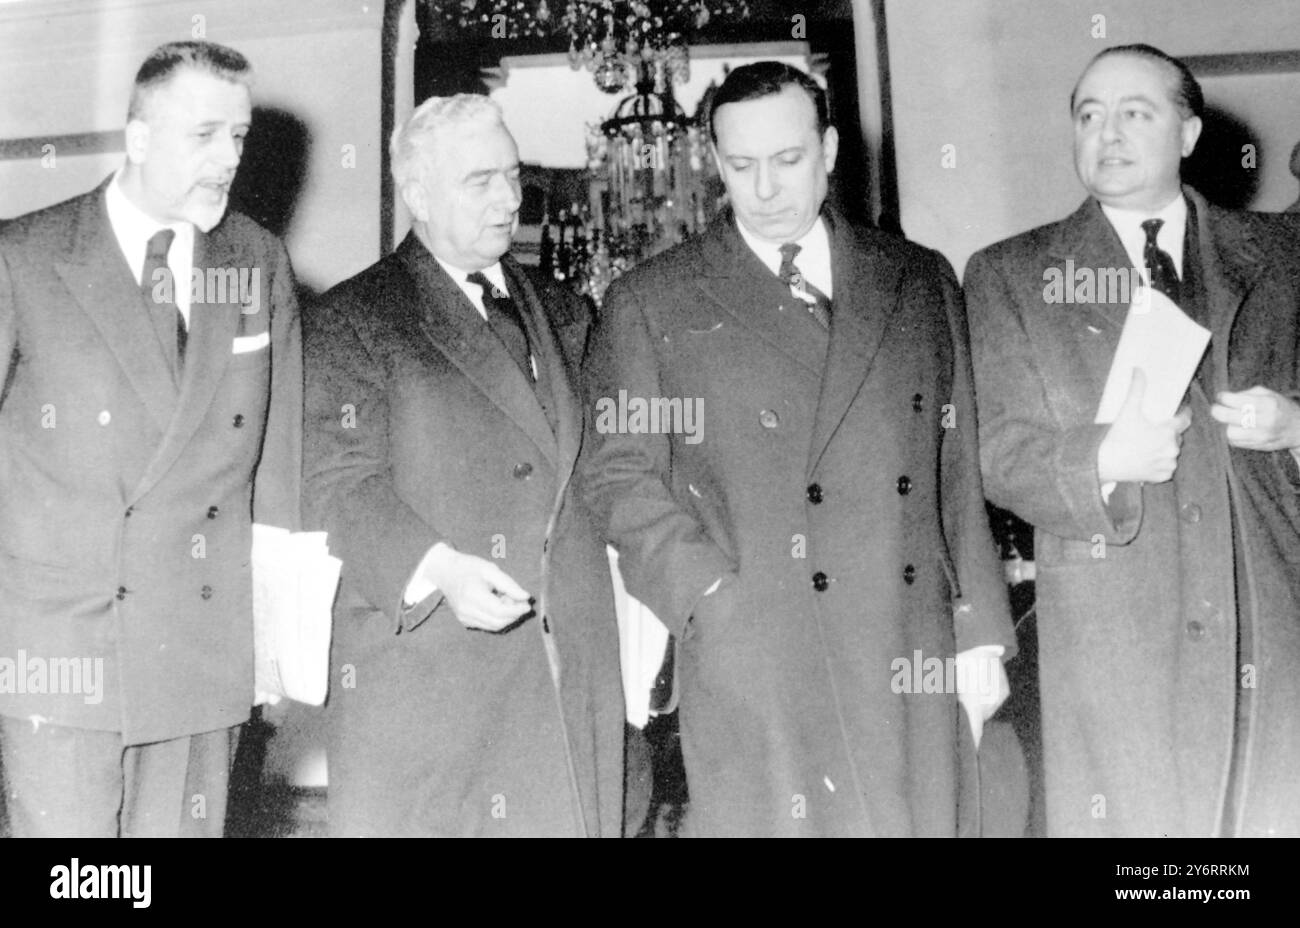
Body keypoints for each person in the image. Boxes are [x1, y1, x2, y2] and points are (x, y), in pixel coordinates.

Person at [578, 62, 1015, 837]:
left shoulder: (917, 279)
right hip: (760, 648)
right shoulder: (652, 301)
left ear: (831, 149)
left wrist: (979, 631)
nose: (767, 188)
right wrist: (709, 598)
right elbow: (619, 477)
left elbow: (954, 464)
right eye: (741, 166)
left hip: (907, 638)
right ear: (716, 163)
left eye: (788, 161)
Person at [965, 43, 1300, 837]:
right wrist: (1098, 459)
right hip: (1116, 631)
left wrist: (1296, 423)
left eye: (1135, 113)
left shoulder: (1285, 258)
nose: (1107, 133)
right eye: (1089, 115)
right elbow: (995, 449)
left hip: (1271, 615)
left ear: (1188, 135)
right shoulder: (1011, 274)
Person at [0, 40, 301, 837]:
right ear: (137, 137)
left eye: (237, 137)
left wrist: (277, 643)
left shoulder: (258, 263)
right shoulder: (23, 259)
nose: (226, 160)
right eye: (202, 135)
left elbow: (279, 473)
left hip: (200, 648)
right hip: (59, 652)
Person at [303, 94, 623, 837]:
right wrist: (440, 568)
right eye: (480, 181)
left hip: (568, 686)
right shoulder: (353, 317)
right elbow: (336, 483)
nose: (509, 199)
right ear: (417, 194)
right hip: (432, 693)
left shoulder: (568, 311)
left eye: (513, 176)